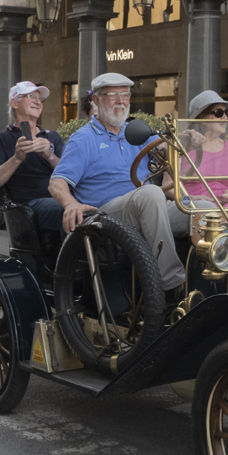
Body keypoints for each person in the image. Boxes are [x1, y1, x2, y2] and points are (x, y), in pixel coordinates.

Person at [50, 72, 191, 297]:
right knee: (151, 194)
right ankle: (172, 287)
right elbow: (57, 183)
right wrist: (70, 204)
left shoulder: (136, 131)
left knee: (202, 209)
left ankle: (210, 281)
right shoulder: (83, 139)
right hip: (105, 215)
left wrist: (175, 148)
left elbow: (167, 148)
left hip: (146, 207)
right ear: (96, 101)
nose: (120, 101)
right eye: (112, 95)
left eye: (125, 95)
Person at [0, 81, 65, 235]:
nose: (37, 102)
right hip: (29, 205)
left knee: (95, 206)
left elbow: (70, 174)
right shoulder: (2, 138)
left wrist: (50, 156)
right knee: (71, 210)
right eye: (31, 96)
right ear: (14, 103)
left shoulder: (52, 136)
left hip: (61, 195)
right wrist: (17, 158)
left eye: (40, 99)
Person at [177, 90, 228, 207]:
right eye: (219, 113)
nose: (225, 117)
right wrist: (190, 198)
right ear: (203, 118)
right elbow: (169, 188)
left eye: (226, 112)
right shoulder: (184, 146)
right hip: (195, 208)